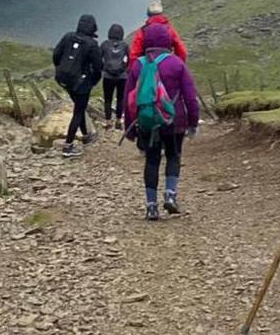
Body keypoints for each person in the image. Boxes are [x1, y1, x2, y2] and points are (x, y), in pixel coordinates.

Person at [122, 23, 200, 219]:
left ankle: (150, 206)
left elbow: (128, 100)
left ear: (146, 41)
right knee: (173, 155)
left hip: (147, 121)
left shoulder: (138, 65)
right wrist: (193, 122)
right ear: (167, 41)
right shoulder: (176, 63)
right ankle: (170, 195)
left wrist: (130, 129)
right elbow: (190, 97)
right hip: (175, 120)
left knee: (152, 160)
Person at [52, 14, 104, 157]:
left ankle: (86, 136)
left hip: (64, 80)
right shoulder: (92, 44)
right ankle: (68, 146)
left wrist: (60, 69)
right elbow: (98, 67)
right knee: (78, 111)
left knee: (79, 107)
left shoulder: (68, 36)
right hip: (81, 82)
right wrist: (92, 81)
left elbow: (56, 55)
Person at [99, 23, 130, 130]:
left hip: (108, 76)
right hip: (122, 76)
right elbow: (130, 59)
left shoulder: (104, 44)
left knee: (108, 99)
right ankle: (118, 121)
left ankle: (108, 121)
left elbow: (98, 59)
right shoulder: (125, 45)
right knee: (120, 98)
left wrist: (103, 68)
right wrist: (126, 70)